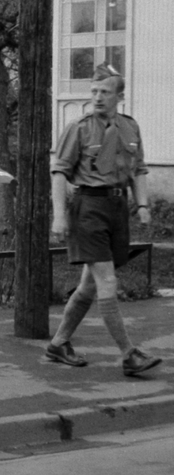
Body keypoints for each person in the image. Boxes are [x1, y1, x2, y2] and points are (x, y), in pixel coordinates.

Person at [45, 63, 161, 376]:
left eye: (105, 92)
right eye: (94, 91)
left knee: (89, 286)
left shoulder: (129, 127)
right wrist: (59, 216)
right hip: (89, 208)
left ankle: (58, 343)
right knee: (107, 281)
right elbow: (59, 172)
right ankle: (128, 354)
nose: (97, 97)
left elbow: (138, 169)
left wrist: (143, 205)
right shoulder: (79, 128)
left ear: (118, 96)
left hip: (117, 209)